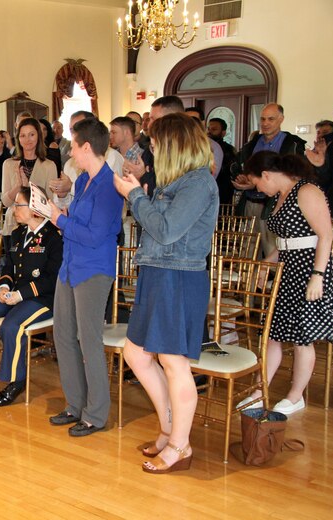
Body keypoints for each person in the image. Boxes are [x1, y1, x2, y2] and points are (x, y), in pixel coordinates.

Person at [113, 112, 219, 474]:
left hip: (180, 277)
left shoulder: (199, 183)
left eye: (156, 145)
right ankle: (169, 428)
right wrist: (141, 194)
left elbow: (168, 230)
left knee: (174, 363)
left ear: (174, 145)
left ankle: (179, 446)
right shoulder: (174, 181)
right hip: (158, 273)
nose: (152, 151)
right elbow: (157, 225)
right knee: (137, 355)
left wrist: (135, 198)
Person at [237, 151, 333, 415]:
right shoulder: (280, 196)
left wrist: (317, 276)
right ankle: (260, 391)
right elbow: (286, 241)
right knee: (272, 333)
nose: (259, 189)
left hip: (309, 268)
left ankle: (296, 396)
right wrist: (267, 263)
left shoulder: (307, 190)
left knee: (301, 336)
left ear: (267, 175)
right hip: (288, 267)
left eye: (257, 182)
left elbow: (325, 236)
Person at [47, 118, 123, 438]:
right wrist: (58, 215)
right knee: (63, 335)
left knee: (88, 340)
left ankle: (96, 413)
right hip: (70, 265)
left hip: (93, 269)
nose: (71, 153)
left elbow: (95, 236)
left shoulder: (109, 184)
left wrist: (58, 220)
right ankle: (75, 403)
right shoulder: (83, 181)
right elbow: (77, 223)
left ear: (87, 147)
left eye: (74, 147)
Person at [0, 186, 63, 406]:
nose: (14, 209)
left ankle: (16, 380)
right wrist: (3, 288)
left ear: (34, 207)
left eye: (19, 205)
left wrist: (21, 294)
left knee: (11, 327)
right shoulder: (17, 234)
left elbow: (52, 280)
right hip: (13, 296)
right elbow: (8, 268)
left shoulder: (54, 238)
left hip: (41, 299)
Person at [232, 103, 307, 258]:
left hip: (275, 203)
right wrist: (242, 178)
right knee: (247, 252)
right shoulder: (251, 144)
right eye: (263, 119)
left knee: (273, 249)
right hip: (250, 201)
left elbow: (295, 175)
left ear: (281, 119)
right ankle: (250, 282)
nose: (265, 123)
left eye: (271, 119)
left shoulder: (292, 144)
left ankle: (272, 280)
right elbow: (237, 166)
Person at [0, 118, 57, 252]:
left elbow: (49, 203)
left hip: (38, 225)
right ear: (18, 139)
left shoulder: (49, 165)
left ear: (39, 135)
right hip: (13, 224)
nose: (27, 139)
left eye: (32, 134)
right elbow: (5, 202)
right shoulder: (8, 164)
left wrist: (29, 188)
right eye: (22, 135)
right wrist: (18, 187)